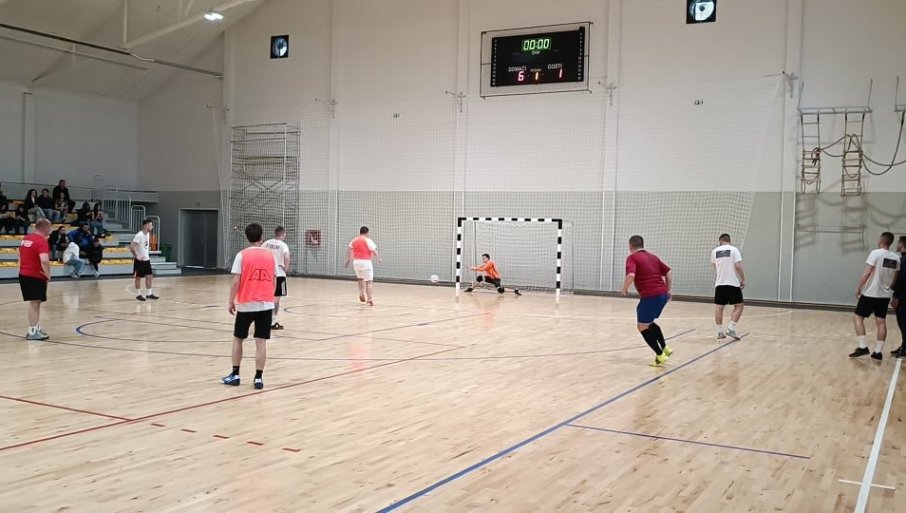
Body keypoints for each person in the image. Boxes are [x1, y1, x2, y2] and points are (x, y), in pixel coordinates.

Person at [221, 223, 278, 390]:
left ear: (247, 237)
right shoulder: (270, 256)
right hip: (265, 304)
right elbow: (274, 280)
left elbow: (236, 281)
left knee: (238, 339)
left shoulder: (242, 255)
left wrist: (231, 301)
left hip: (246, 304)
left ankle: (235, 374)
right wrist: (270, 298)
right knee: (261, 342)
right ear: (262, 237)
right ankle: (258, 378)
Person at [621, 235, 674, 367]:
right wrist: (669, 290)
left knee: (642, 326)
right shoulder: (653, 257)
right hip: (662, 295)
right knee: (649, 323)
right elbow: (668, 271)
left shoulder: (632, 258)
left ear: (630, 246)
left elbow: (631, 275)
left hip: (651, 296)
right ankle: (665, 348)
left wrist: (624, 288)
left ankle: (660, 355)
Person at [849, 232, 901, 361]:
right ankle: (878, 352)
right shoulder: (896, 258)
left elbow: (867, 272)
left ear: (881, 240)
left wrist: (859, 286)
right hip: (884, 295)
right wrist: (888, 288)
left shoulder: (875, 253)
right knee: (881, 321)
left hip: (871, 293)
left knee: (858, 317)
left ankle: (862, 347)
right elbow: (895, 277)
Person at [18, 218, 52, 340]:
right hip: (35, 275)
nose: (50, 230)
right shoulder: (41, 241)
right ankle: (32, 331)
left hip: (24, 274)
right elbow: (44, 260)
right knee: (34, 303)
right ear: (45, 227)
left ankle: (35, 328)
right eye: (50, 227)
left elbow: (19, 255)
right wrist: (48, 274)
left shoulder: (26, 238)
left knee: (35, 302)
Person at [711, 233, 746, 340]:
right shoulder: (734, 250)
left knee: (719, 307)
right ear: (729, 240)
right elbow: (738, 266)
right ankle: (731, 328)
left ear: (720, 241)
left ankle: (719, 332)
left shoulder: (714, 251)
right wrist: (743, 279)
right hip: (732, 283)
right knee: (739, 306)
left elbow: (715, 266)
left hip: (719, 283)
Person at [262, 226, 291, 330]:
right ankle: (273, 322)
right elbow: (287, 257)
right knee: (276, 300)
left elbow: (260, 254)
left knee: (266, 298)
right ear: (283, 234)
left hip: (266, 274)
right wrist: (285, 270)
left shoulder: (266, 243)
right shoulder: (283, 245)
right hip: (279, 274)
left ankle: (263, 320)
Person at [345, 226, 381, 306]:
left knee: (360, 279)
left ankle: (361, 293)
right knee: (369, 281)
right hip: (365, 262)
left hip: (356, 262)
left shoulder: (354, 240)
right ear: (367, 232)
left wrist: (348, 259)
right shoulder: (367, 240)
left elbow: (348, 250)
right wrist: (379, 258)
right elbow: (374, 250)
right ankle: (369, 298)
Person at [130, 218, 157, 301]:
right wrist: (136, 256)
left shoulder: (148, 234)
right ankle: (138, 294)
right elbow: (131, 247)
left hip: (146, 259)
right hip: (139, 260)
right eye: (151, 225)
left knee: (149, 276)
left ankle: (149, 293)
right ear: (147, 225)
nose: (152, 227)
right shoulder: (139, 235)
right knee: (138, 277)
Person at [890, 236, 906, 358]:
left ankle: (905, 349)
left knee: (903, 323)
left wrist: (896, 295)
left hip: (903, 297)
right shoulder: (902, 259)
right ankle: (904, 346)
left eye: (898, 243)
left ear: (902, 244)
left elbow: (902, 280)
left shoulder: (904, 260)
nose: (897, 245)